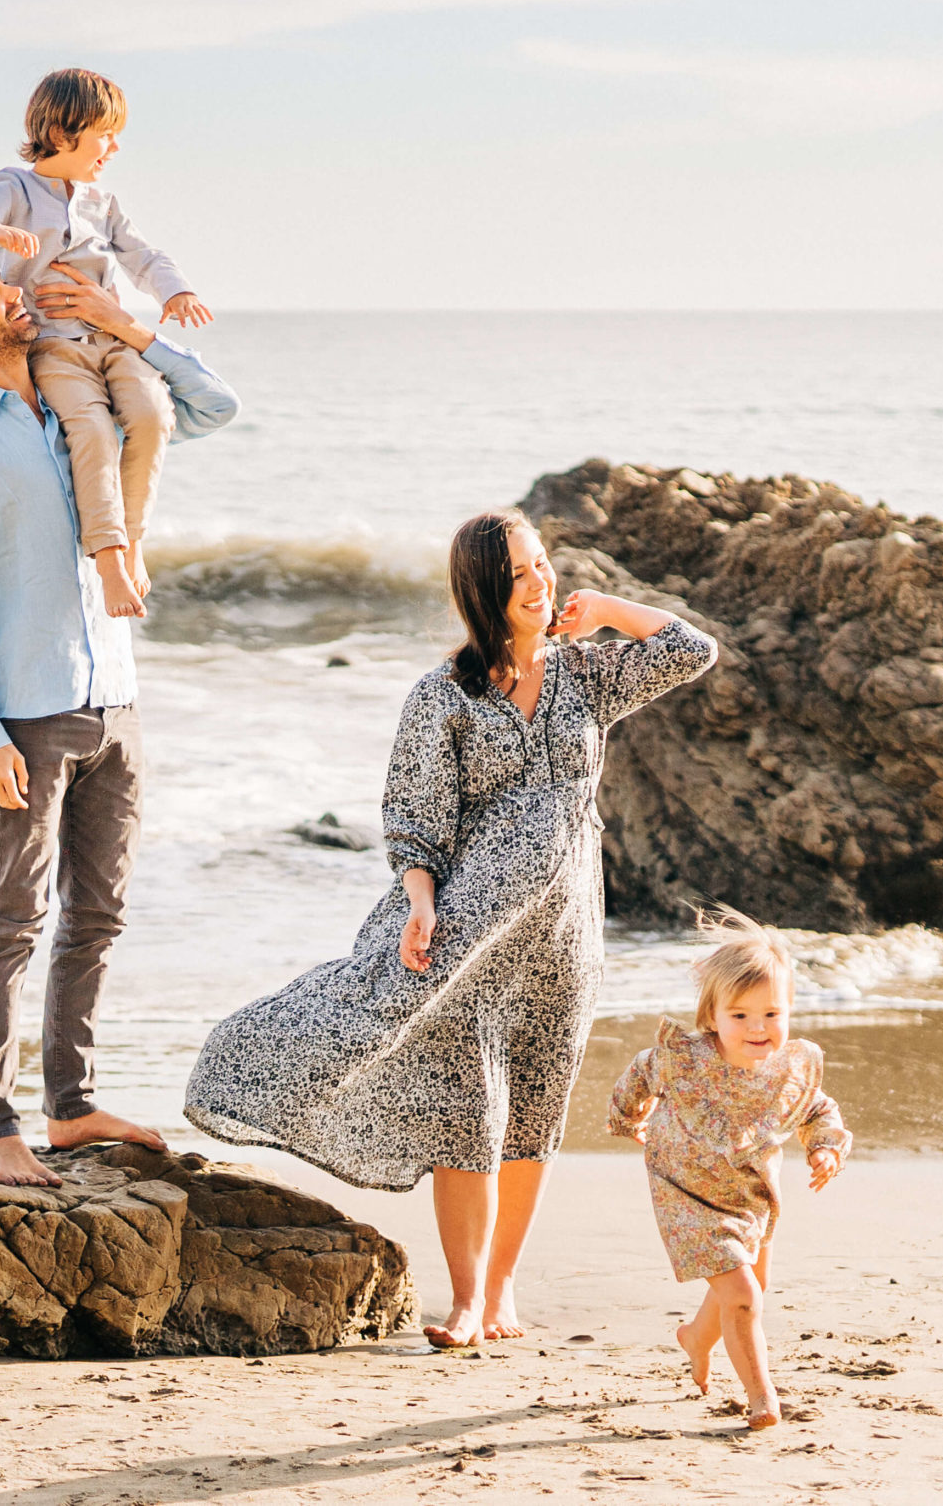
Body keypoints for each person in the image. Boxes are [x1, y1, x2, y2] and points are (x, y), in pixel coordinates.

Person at [184, 508, 718, 1346]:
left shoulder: (589, 676)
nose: (540, 583)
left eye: (544, 564)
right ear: (484, 590)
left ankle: (502, 1292)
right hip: (471, 928)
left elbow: (692, 650)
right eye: (520, 574)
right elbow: (415, 818)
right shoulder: (445, 695)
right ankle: (467, 1299)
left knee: (536, 1107)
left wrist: (609, 606)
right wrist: (422, 898)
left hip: (567, 935)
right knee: (469, 1109)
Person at [0, 254, 240, 1189]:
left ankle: (73, 1104)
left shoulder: (86, 397)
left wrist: (126, 325)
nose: (14, 292)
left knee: (99, 914)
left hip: (116, 702)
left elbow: (214, 407)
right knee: (13, 919)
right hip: (26, 712)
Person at [0, 68, 213, 618]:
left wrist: (176, 290)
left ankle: (133, 539)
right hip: (54, 345)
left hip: (112, 338)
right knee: (91, 429)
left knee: (153, 413)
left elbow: (144, 256)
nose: (113, 148)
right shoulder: (15, 188)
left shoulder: (102, 200)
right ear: (64, 131)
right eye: (104, 135)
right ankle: (110, 562)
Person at [607, 928, 851, 1429]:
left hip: (749, 1194)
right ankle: (762, 1397)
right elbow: (638, 1073)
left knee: (749, 1284)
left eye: (771, 1014)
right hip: (685, 1191)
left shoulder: (789, 1070)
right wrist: (628, 1117)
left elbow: (818, 1110)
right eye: (739, 1015)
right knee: (744, 1296)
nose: (757, 1027)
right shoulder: (684, 1059)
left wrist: (825, 1146)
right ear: (711, 1017)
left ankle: (697, 1337)